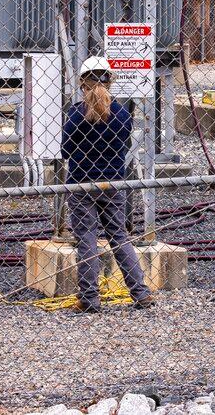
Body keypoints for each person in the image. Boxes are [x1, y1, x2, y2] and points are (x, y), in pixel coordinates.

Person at [61, 56, 154, 313]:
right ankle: (140, 293)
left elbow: (66, 150)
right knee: (119, 236)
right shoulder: (122, 114)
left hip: (81, 183)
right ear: (110, 80)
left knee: (87, 239)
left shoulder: (76, 113)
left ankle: (89, 298)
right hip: (113, 181)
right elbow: (123, 146)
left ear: (83, 84)